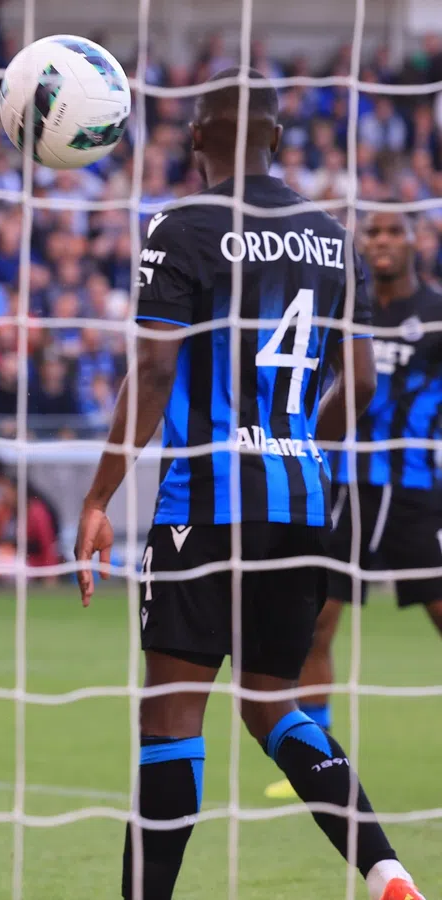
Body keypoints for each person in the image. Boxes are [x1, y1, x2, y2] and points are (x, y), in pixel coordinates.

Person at [74, 70, 425, 900]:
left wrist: (98, 498)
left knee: (170, 718)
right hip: (302, 504)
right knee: (272, 707)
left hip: (205, 501)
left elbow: (155, 368)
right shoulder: (336, 238)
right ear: (276, 141)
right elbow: (365, 384)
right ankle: (387, 874)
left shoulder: (183, 225)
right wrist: (295, 444)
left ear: (196, 142)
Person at [262, 211, 442, 799]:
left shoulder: (437, 316)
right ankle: (318, 762)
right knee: (317, 622)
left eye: (394, 231)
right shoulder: (341, 307)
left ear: (415, 240)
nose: (382, 241)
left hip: (413, 492)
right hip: (339, 487)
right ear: (358, 243)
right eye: (373, 232)